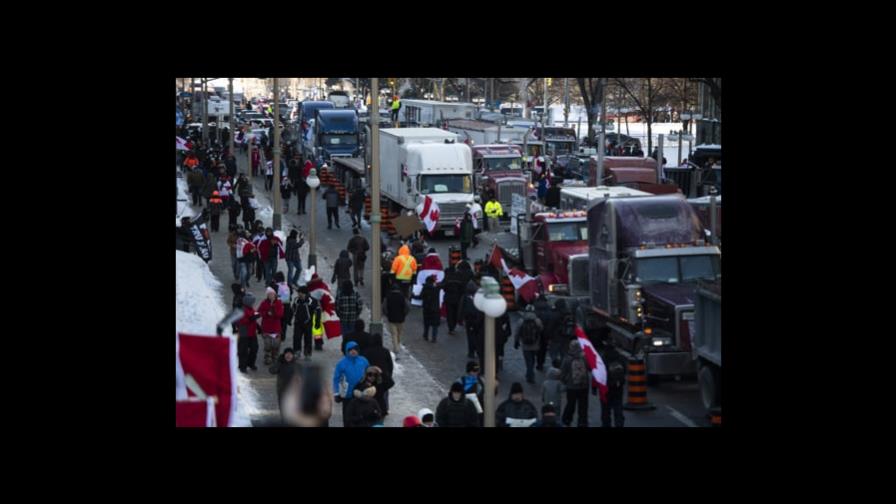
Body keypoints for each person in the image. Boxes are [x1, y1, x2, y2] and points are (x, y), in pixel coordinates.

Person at [332, 341, 370, 427]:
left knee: (361, 416)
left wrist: (369, 385)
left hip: (361, 393)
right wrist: (336, 393)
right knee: (347, 416)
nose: (353, 351)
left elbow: (369, 373)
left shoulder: (363, 361)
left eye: (355, 349)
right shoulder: (341, 363)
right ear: (347, 351)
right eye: (351, 350)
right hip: (347, 395)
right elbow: (336, 379)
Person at [596, 327, 626, 428]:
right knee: (618, 407)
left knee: (605, 409)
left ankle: (606, 424)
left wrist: (594, 388)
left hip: (605, 387)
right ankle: (619, 424)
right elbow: (625, 369)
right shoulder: (619, 356)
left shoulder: (602, 357)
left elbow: (597, 373)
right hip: (617, 386)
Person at [361, 332, 395, 416]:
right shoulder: (385, 351)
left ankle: (370, 409)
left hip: (370, 376)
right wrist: (389, 375)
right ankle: (385, 409)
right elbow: (390, 365)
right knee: (383, 394)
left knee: (371, 393)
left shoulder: (367, 351)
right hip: (383, 377)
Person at [560, 339, 590, 427]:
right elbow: (589, 368)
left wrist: (565, 381)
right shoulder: (584, 357)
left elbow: (563, 373)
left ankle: (566, 420)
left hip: (571, 386)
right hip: (584, 386)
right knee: (583, 406)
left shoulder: (567, 359)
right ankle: (582, 422)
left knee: (570, 404)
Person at [514, 305, 543, 384]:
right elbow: (541, 329)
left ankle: (530, 375)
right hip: (535, 344)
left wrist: (516, 342)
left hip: (525, 344)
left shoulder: (521, 320)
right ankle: (530, 374)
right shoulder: (537, 320)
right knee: (532, 360)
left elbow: (517, 332)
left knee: (528, 361)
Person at [269, 348, 299, 421]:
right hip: (282, 391)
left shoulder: (297, 365)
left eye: (290, 354)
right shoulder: (280, 364)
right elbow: (271, 370)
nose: (288, 356)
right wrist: (278, 362)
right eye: (287, 354)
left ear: (293, 356)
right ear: (284, 355)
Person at [258, 287, 285, 366]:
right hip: (266, 328)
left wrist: (273, 311)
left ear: (275, 294)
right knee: (267, 344)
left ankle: (275, 357)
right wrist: (266, 313)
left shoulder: (279, 303)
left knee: (276, 344)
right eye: (269, 294)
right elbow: (259, 312)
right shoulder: (264, 303)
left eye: (272, 294)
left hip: (276, 328)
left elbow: (280, 314)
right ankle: (267, 357)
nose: (271, 296)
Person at [292, 286, 319, 360]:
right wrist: (289, 319)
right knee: (296, 337)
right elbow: (293, 309)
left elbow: (317, 311)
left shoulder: (312, 301)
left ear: (305, 293)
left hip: (308, 323)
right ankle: (297, 351)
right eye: (298, 293)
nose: (299, 295)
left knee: (308, 338)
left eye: (301, 293)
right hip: (297, 322)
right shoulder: (296, 300)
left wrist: (317, 322)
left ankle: (307, 353)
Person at [235, 292, 260, 372]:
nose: (253, 303)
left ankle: (250, 363)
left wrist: (259, 327)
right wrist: (251, 318)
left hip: (252, 332)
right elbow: (240, 321)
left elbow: (253, 317)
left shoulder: (251, 308)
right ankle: (242, 366)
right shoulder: (241, 309)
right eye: (252, 301)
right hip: (244, 331)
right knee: (243, 350)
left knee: (254, 348)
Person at [385, 282, 410, 360]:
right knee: (399, 333)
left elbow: (384, 307)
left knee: (394, 334)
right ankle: (397, 345)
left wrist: (387, 314)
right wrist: (404, 314)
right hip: (401, 318)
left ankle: (396, 347)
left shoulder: (388, 297)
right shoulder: (402, 297)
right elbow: (407, 307)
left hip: (391, 318)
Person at [462, 281, 483, 361]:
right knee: (477, 336)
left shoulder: (465, 297)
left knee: (470, 336)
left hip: (470, 320)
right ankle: (477, 350)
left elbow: (462, 308)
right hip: (478, 319)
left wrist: (461, 318)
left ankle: (471, 352)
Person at [441, 263, 465, 336]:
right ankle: (453, 326)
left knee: (449, 314)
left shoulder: (447, 277)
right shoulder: (459, 276)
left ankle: (451, 328)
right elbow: (462, 288)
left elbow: (443, 286)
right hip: (457, 298)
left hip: (448, 297)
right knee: (455, 313)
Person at [421, 274, 441, 343]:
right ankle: (434, 338)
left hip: (427, 308)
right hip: (435, 308)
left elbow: (421, 296)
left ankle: (425, 335)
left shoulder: (425, 287)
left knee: (426, 323)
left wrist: (413, 296)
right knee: (435, 325)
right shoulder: (437, 288)